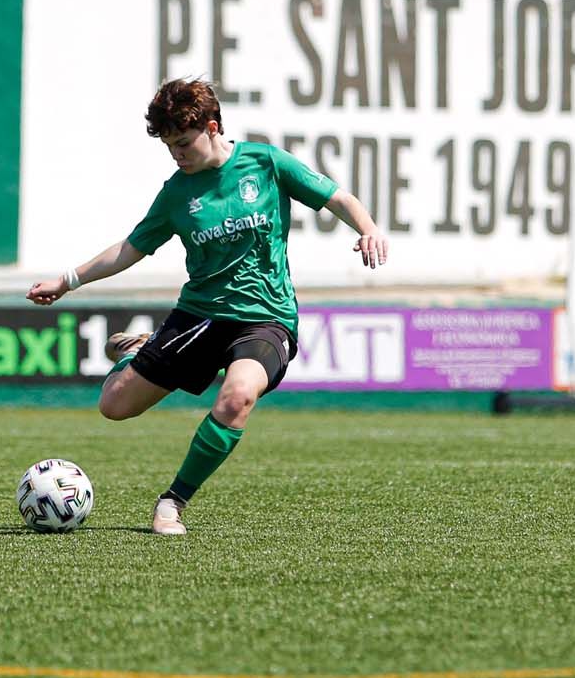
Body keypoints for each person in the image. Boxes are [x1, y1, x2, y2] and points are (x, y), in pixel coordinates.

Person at [26, 78, 387, 536]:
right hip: (200, 316)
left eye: (182, 142)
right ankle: (141, 350)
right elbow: (130, 248)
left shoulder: (265, 162)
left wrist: (367, 228)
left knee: (237, 397)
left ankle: (172, 502)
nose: (176, 153)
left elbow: (337, 197)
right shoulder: (177, 193)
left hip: (266, 319)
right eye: (168, 146)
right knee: (114, 407)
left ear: (212, 126)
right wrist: (67, 280)